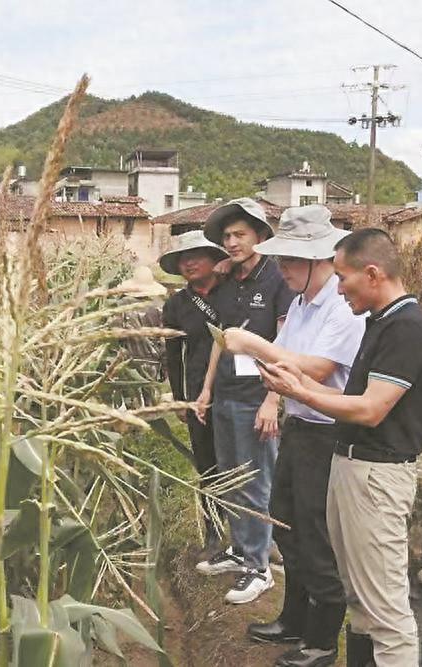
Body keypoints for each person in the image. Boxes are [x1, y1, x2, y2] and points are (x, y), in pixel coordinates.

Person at [256, 228, 422, 667]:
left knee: (386, 609)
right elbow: (351, 399)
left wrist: (298, 392)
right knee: (359, 596)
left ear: (372, 273)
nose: (338, 288)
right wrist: (295, 384)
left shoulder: (407, 327)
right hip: (352, 466)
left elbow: (372, 409)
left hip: (377, 475)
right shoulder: (380, 321)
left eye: (342, 277)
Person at [223, 205, 365, 666]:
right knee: (284, 520)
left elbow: (320, 369)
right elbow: (286, 356)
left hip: (327, 436)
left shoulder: (342, 308)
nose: (281, 269)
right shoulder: (304, 302)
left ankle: (322, 642)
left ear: (317, 259)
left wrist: (254, 347)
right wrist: (261, 359)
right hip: (300, 426)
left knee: (314, 533)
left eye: (289, 260)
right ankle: (294, 618)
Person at [195, 198, 295, 604]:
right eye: (226, 237)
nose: (232, 242)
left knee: (256, 481)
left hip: (258, 398)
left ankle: (259, 567)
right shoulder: (228, 283)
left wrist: (273, 400)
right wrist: (206, 391)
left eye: (240, 235)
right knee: (230, 477)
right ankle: (240, 550)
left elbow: (286, 344)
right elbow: (221, 341)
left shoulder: (277, 281)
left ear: (260, 236)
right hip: (226, 396)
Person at [158, 231, 230, 552]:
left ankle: (255, 534)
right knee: (208, 464)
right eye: (183, 259)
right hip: (198, 392)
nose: (188, 263)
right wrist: (179, 399)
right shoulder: (176, 304)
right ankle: (213, 529)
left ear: (215, 259)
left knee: (244, 460)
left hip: (236, 389)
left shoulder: (232, 293)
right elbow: (173, 356)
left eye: (196, 256)